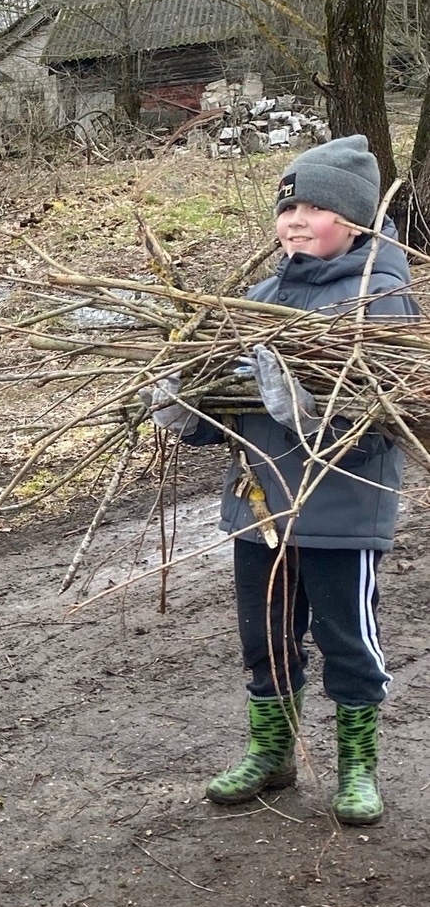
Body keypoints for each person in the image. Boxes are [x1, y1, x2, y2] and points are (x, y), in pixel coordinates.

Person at [151, 134, 418, 825]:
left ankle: (358, 767)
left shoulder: (380, 298)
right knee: (264, 636)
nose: (296, 218)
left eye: (316, 206)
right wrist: (188, 412)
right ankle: (272, 754)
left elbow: (381, 420)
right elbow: (236, 414)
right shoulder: (259, 297)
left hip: (341, 511)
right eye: (288, 205)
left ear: (356, 218)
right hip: (261, 505)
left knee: (346, 639)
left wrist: (308, 412)